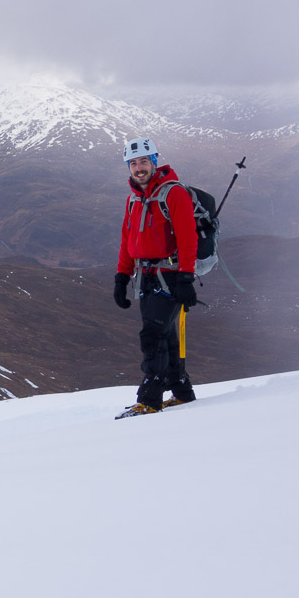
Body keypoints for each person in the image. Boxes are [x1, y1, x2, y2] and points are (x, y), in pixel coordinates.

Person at [113, 137, 198, 413]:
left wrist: (186, 277)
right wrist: (122, 277)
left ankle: (149, 399)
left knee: (152, 336)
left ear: (154, 161)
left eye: (144, 162)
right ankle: (182, 392)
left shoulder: (174, 194)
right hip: (145, 276)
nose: (139, 168)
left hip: (170, 276)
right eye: (133, 163)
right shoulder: (133, 200)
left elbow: (188, 239)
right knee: (166, 336)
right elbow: (128, 241)